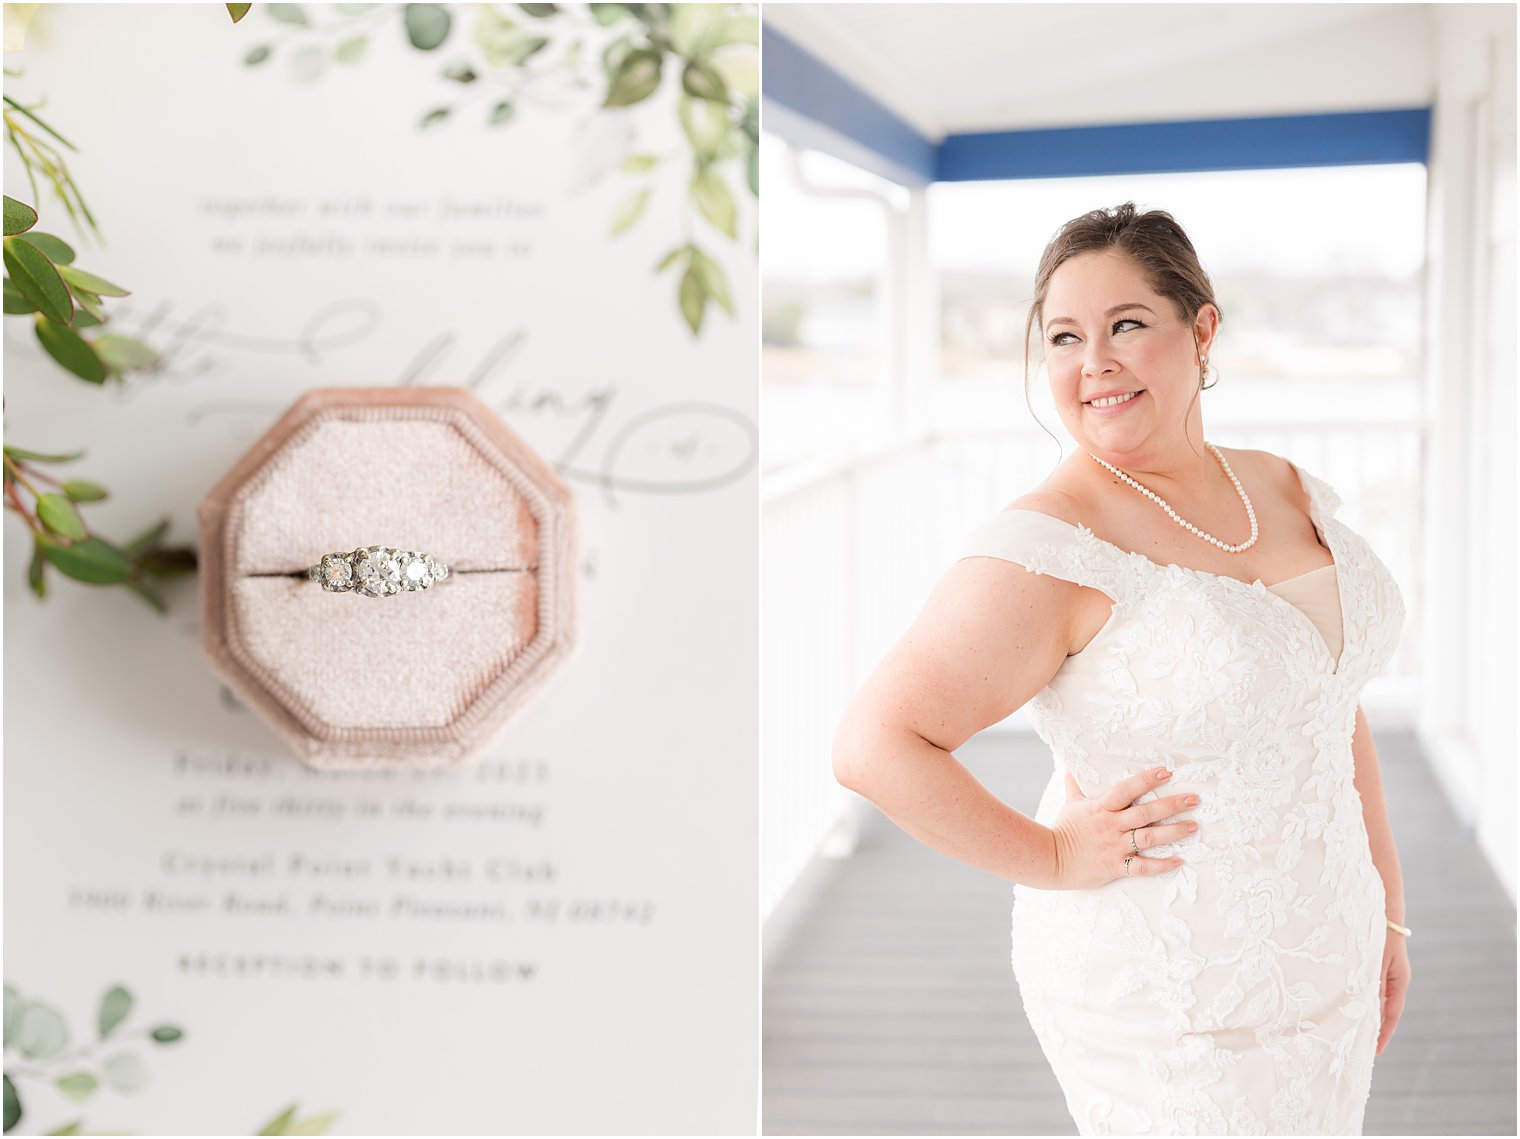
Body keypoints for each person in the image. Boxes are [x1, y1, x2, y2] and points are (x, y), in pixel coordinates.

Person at [831, 203, 1412, 1136]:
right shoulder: (1053, 542)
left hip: (1326, 954)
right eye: (1063, 337)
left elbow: (1325, 700)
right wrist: (1055, 852)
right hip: (1171, 1001)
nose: (1092, 360)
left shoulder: (1277, 484)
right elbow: (876, 744)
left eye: (1126, 325)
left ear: (1203, 327)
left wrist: (1386, 908)